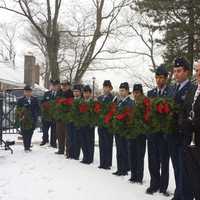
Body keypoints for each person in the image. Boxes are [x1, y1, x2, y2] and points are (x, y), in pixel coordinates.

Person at [167, 57, 193, 200]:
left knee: (185, 169)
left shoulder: (192, 89)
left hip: (184, 135)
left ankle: (185, 195)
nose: (176, 74)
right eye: (175, 71)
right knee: (176, 166)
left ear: (187, 72)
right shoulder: (172, 89)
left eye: (179, 71)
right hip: (172, 134)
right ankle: (179, 193)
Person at [146, 65, 172, 196]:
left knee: (164, 161)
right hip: (152, 133)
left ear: (166, 78)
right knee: (152, 160)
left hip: (164, 134)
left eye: (161, 77)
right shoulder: (151, 94)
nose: (158, 80)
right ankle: (153, 184)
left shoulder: (170, 93)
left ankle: (163, 187)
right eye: (157, 77)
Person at [181, 61, 200, 200]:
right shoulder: (192, 89)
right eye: (197, 70)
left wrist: (193, 122)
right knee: (193, 177)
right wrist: (183, 122)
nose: (198, 74)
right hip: (189, 140)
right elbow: (185, 109)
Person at [112, 82, 133, 176]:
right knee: (119, 150)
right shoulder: (119, 102)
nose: (121, 92)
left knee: (124, 150)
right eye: (120, 90)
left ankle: (124, 169)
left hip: (125, 130)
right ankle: (120, 168)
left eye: (123, 90)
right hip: (118, 129)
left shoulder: (130, 102)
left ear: (127, 91)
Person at [128, 84, 146, 184]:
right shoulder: (131, 103)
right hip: (131, 133)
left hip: (141, 134)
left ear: (141, 92)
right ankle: (133, 175)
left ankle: (139, 177)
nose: (136, 94)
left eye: (137, 92)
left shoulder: (144, 103)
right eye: (134, 92)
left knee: (140, 156)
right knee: (132, 155)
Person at [17, 85, 40, 152]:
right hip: (24, 120)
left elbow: (38, 108)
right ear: (24, 92)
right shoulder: (20, 100)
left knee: (30, 132)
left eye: (29, 91)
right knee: (24, 133)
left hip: (32, 119)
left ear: (31, 92)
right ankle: (26, 147)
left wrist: (37, 115)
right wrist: (21, 116)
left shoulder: (35, 99)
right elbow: (18, 109)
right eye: (26, 91)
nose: (28, 93)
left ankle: (28, 145)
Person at [98, 80, 114, 170]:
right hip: (101, 124)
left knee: (108, 144)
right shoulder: (100, 98)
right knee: (101, 143)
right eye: (104, 87)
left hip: (108, 124)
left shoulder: (113, 98)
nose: (105, 89)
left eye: (107, 87)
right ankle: (102, 162)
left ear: (110, 88)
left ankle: (107, 163)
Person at [55, 80, 74, 155]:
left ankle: (68, 151)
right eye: (62, 85)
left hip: (67, 116)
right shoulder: (59, 92)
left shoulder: (71, 93)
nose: (64, 86)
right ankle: (61, 149)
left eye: (65, 85)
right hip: (59, 117)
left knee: (67, 135)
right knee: (60, 134)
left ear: (69, 86)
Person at [40, 79, 60, 148]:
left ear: (58, 86)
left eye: (55, 86)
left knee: (54, 130)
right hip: (47, 114)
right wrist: (45, 105)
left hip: (55, 115)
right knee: (45, 129)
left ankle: (53, 142)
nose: (54, 87)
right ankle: (45, 140)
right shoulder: (47, 93)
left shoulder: (60, 94)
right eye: (52, 85)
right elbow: (42, 102)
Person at [79, 85, 95, 164]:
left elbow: (95, 114)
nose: (86, 94)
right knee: (83, 141)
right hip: (82, 124)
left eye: (87, 93)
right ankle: (85, 156)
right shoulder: (81, 102)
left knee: (89, 142)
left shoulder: (93, 102)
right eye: (84, 93)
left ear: (90, 93)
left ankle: (90, 158)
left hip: (89, 125)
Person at [67, 84, 82, 159]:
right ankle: (70, 153)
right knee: (70, 138)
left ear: (80, 92)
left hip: (78, 123)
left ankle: (76, 155)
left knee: (77, 139)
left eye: (77, 91)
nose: (75, 93)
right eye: (74, 91)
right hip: (70, 122)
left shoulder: (81, 101)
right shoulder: (71, 100)